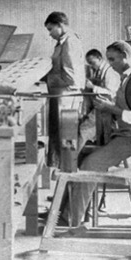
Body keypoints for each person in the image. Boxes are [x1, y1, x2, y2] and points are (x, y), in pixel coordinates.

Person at [65, 40, 131, 227]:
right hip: (125, 134)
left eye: (113, 59)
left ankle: (73, 221)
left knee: (90, 164)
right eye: (108, 59)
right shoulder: (125, 78)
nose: (111, 64)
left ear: (125, 56)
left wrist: (112, 109)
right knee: (82, 155)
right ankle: (67, 211)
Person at [43, 11, 86, 169]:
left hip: (67, 96)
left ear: (60, 25)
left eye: (50, 29)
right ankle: (61, 181)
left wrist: (46, 79)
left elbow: (71, 78)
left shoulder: (70, 42)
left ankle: (67, 179)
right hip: (61, 95)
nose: (50, 34)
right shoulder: (63, 42)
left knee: (66, 139)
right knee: (59, 138)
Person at [78, 49, 121, 151]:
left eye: (92, 63)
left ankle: (72, 162)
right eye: (89, 64)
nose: (92, 66)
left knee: (83, 130)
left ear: (99, 58)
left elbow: (111, 93)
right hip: (99, 108)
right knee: (80, 125)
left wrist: (93, 87)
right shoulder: (98, 72)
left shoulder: (110, 72)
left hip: (107, 109)